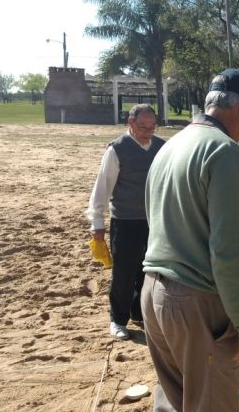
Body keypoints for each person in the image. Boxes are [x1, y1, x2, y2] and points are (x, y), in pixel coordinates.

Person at [141, 69, 239, 411]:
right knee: (211, 403)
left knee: (173, 399)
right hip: (194, 300)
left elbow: (153, 218)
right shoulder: (224, 151)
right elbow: (226, 250)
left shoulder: (171, 145)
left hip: (153, 292)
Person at [85, 103, 165, 340]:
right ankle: (118, 319)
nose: (147, 132)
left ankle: (139, 313)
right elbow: (102, 187)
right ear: (130, 123)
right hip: (125, 220)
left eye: (152, 127)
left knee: (148, 270)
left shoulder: (162, 147)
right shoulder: (117, 150)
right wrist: (97, 223)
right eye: (142, 127)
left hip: (154, 220)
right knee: (124, 273)